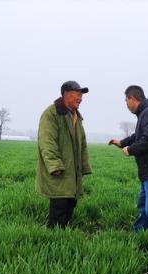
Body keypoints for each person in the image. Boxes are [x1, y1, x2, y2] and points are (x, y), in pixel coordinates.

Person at [108, 85, 148, 232]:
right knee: (143, 206)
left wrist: (131, 149)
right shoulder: (144, 113)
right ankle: (139, 234)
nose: (126, 104)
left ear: (132, 98)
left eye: (126, 100)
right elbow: (139, 135)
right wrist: (122, 143)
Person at [36, 81, 92, 229]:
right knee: (60, 204)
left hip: (73, 171)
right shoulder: (51, 113)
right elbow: (47, 141)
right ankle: (54, 239)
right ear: (66, 94)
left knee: (70, 202)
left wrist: (84, 166)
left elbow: (82, 144)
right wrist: (54, 165)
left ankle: (63, 234)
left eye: (81, 95)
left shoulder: (76, 116)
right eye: (77, 94)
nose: (80, 98)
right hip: (59, 170)